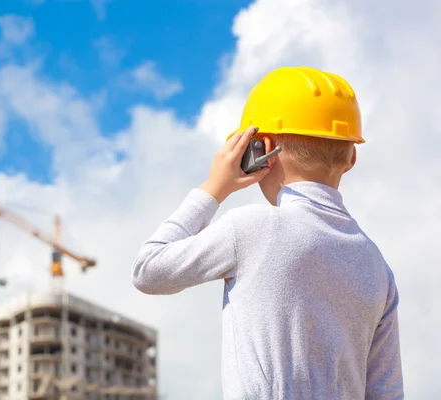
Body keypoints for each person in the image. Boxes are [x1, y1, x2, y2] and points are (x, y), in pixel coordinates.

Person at [131, 66, 403, 400]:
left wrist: (213, 188)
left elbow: (148, 270)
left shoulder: (250, 228)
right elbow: (386, 392)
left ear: (261, 148)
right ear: (352, 157)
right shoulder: (377, 267)